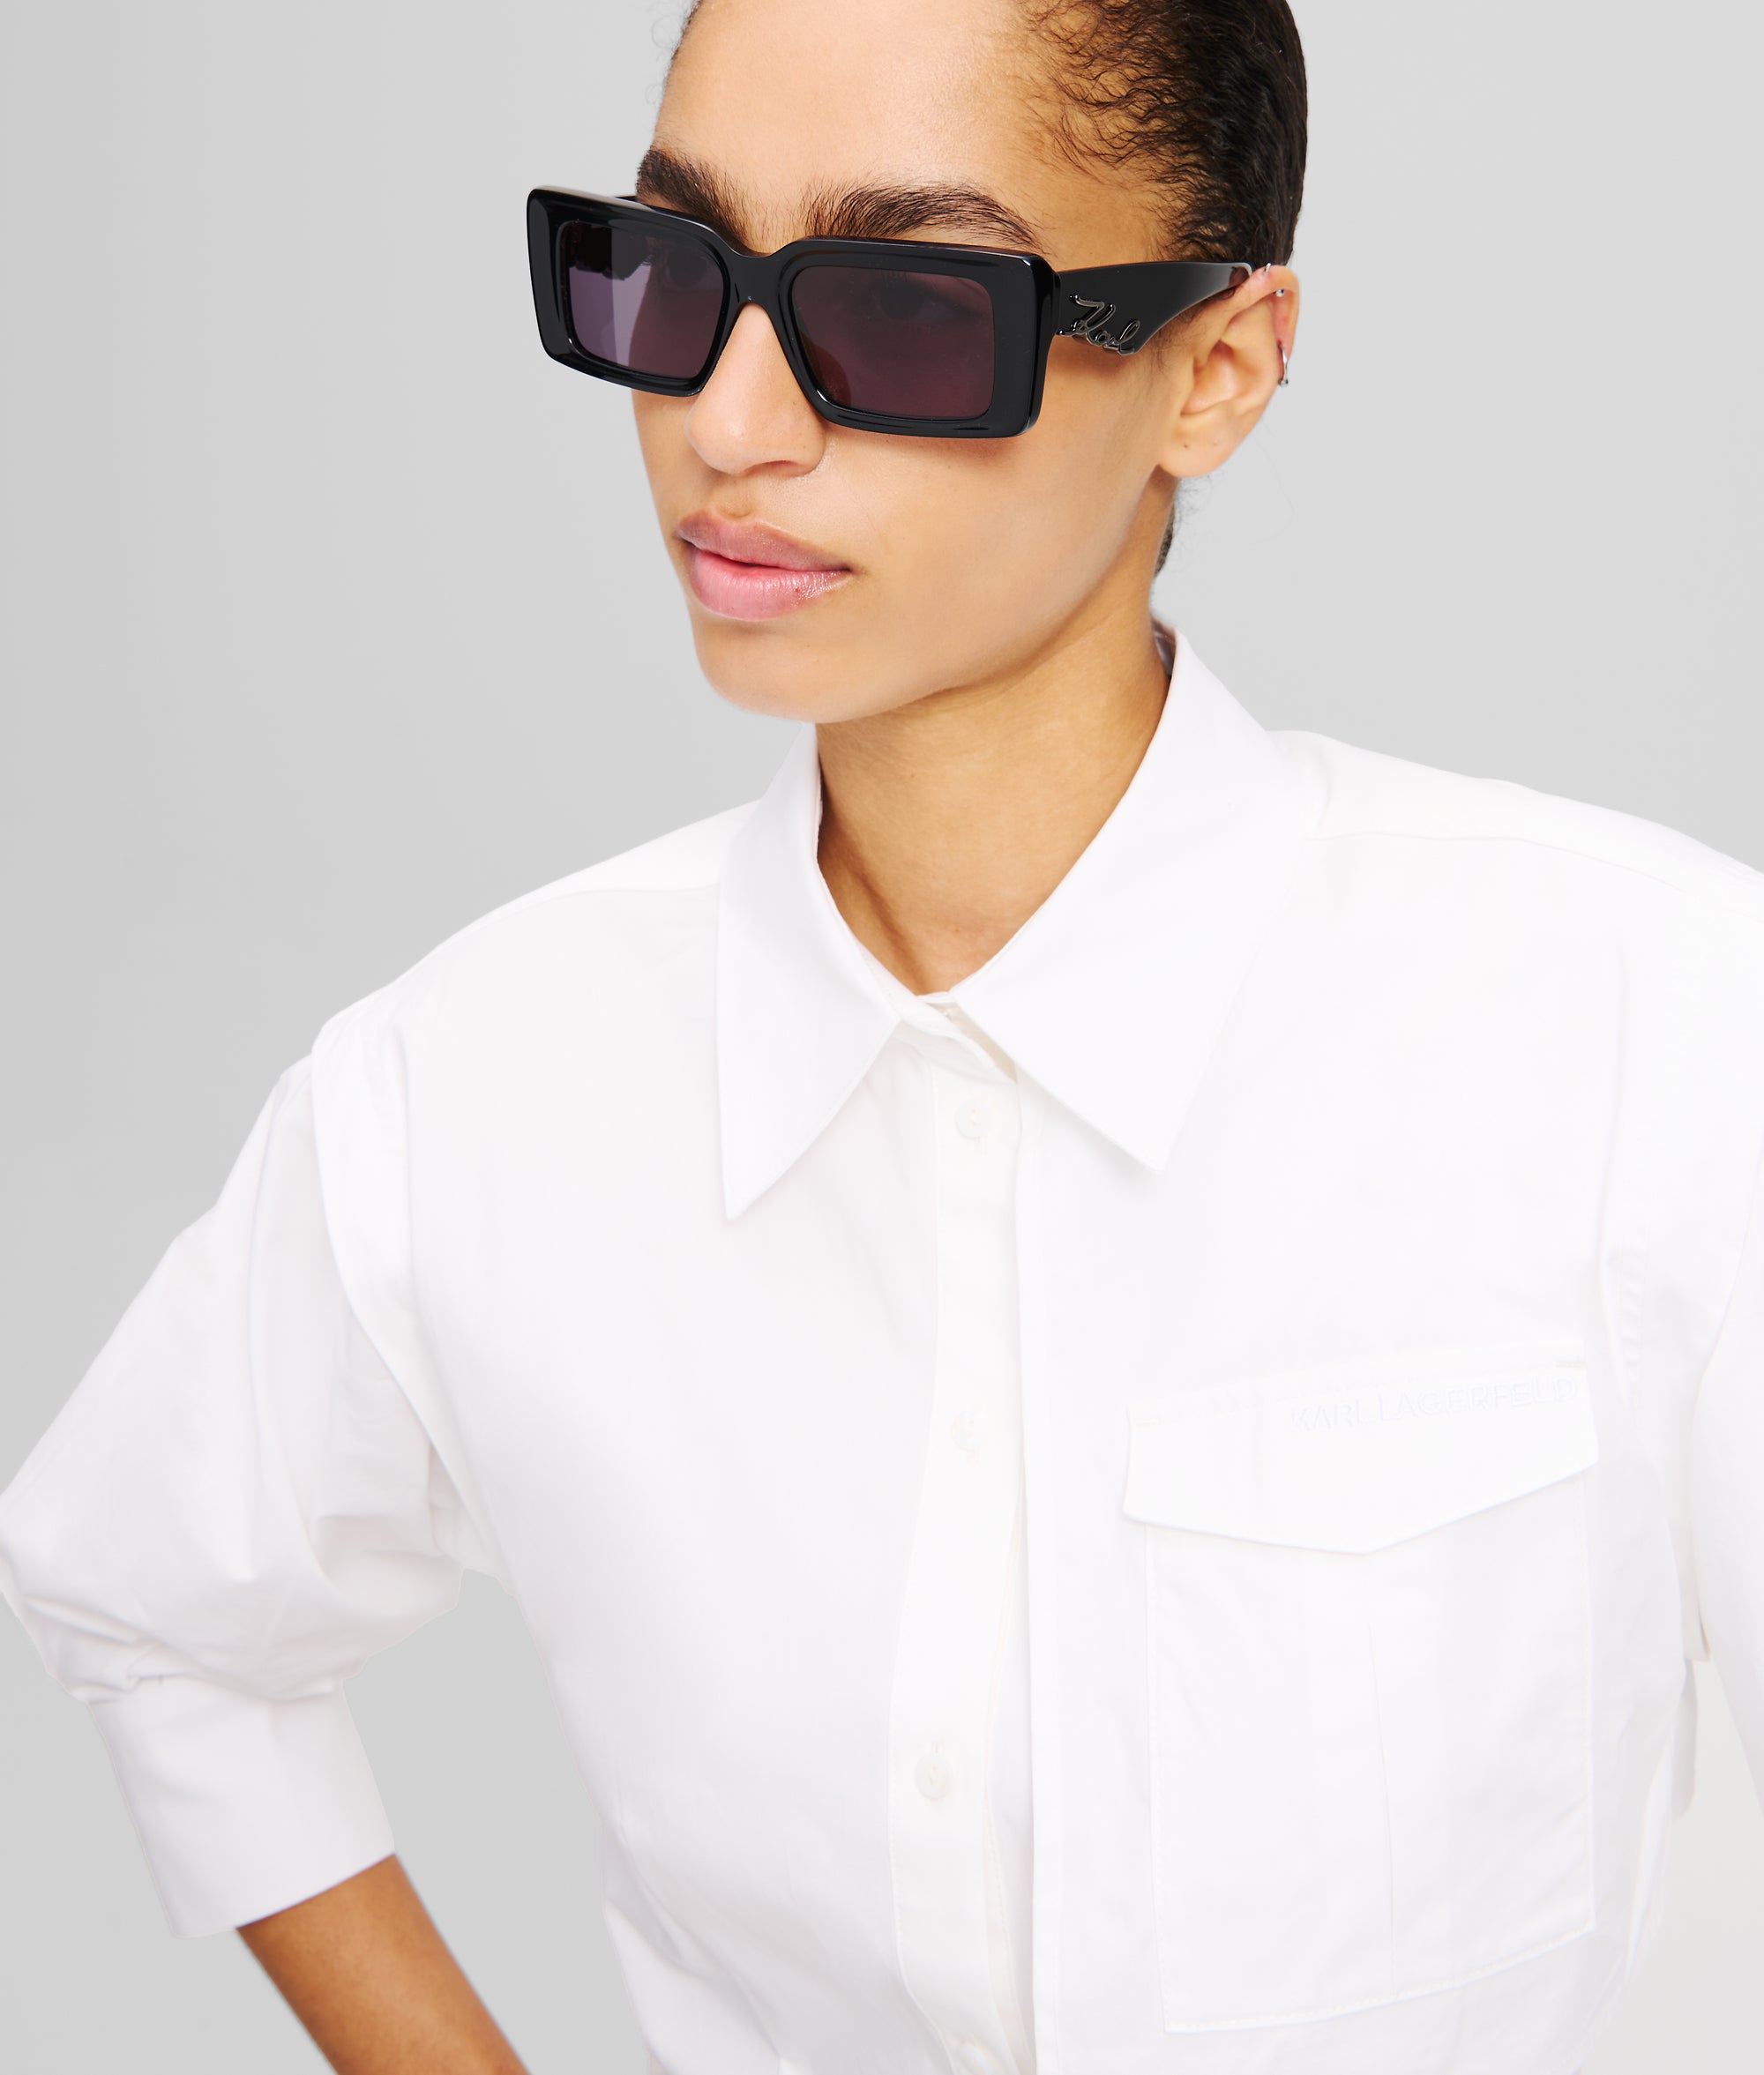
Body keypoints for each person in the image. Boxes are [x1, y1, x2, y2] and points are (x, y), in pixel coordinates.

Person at [3, 0, 1762, 2071]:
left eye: (906, 311)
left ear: (1216, 365)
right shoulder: (470, 1084)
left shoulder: (1652, 1032)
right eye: (669, 272)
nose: (727, 422)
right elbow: (155, 1602)